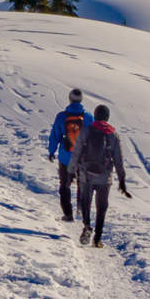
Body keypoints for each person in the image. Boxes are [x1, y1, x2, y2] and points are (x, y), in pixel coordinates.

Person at [75, 104, 130, 247]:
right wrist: (122, 180)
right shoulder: (113, 135)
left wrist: (70, 170)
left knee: (85, 202)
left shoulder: (86, 131)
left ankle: (87, 226)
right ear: (107, 118)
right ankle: (97, 239)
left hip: (86, 174)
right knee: (102, 207)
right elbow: (118, 161)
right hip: (105, 178)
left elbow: (76, 153)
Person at [44, 88, 90, 222]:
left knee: (64, 184)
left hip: (65, 157)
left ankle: (68, 214)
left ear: (70, 99)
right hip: (82, 157)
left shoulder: (61, 116)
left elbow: (55, 135)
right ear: (81, 100)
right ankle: (81, 210)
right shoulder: (88, 117)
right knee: (82, 183)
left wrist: (51, 151)